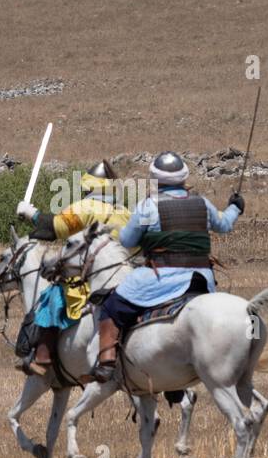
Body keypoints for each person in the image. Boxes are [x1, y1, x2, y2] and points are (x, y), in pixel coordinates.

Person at [91, 152, 242, 382]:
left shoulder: (146, 208)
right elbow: (224, 224)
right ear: (184, 177)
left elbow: (128, 241)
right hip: (201, 278)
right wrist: (235, 207)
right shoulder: (203, 204)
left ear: (155, 179)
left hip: (160, 277)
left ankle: (107, 362)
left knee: (111, 306)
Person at [14, 160, 129, 376]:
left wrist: (31, 214)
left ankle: (43, 359)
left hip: (86, 283)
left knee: (50, 299)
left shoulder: (85, 207)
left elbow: (55, 228)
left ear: (89, 186)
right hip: (121, 281)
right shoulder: (123, 212)